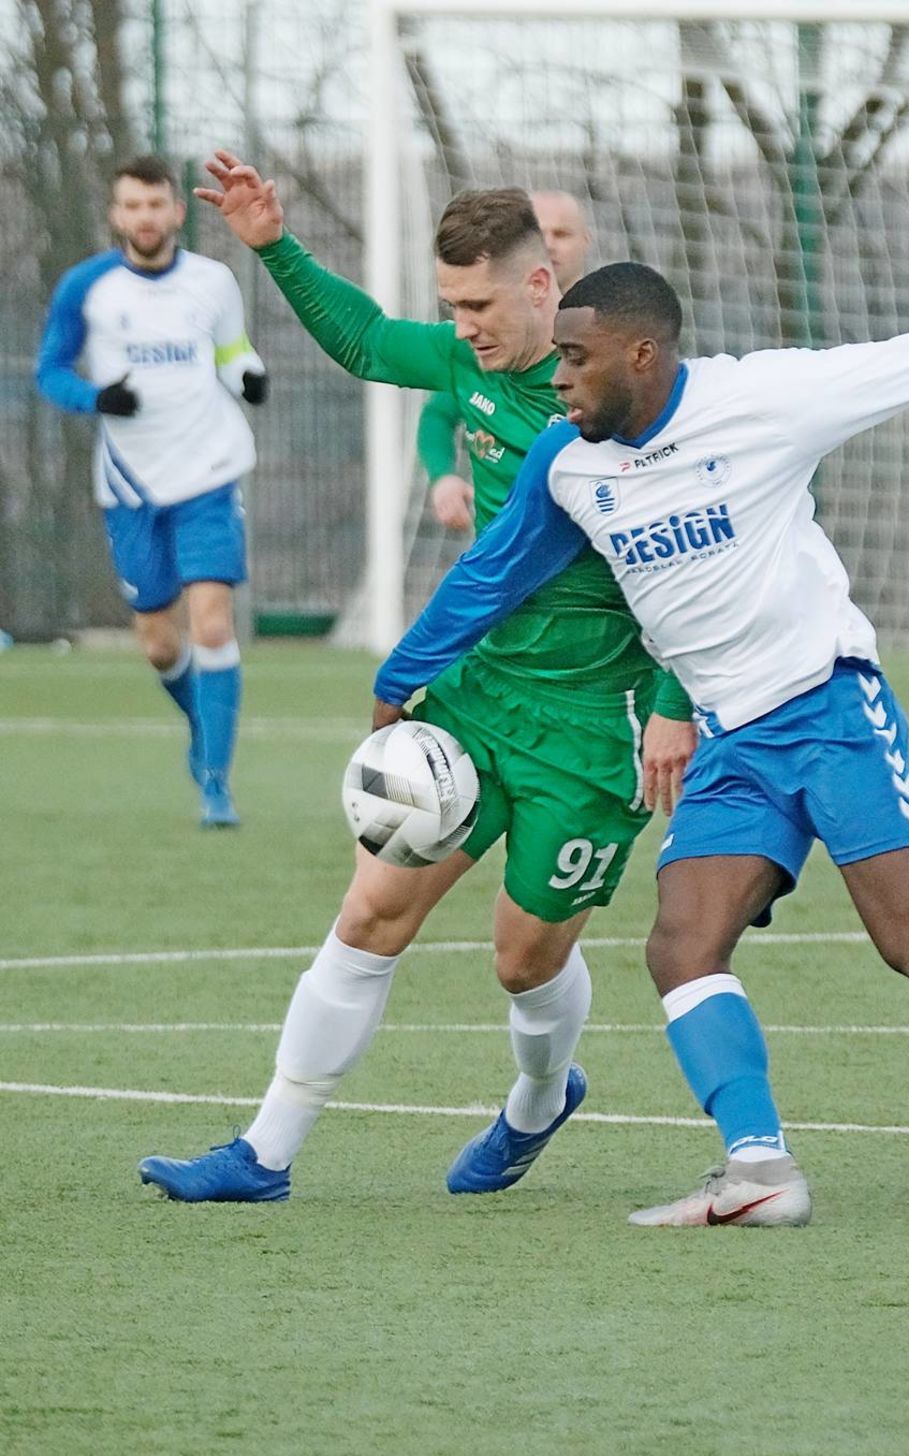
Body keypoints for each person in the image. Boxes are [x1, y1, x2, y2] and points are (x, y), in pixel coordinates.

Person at [351, 232, 909, 1230]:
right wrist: (399, 677)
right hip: (729, 743)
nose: (558, 379)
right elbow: (494, 574)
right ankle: (760, 1166)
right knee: (682, 946)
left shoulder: (766, 400)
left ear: (642, 355)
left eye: (577, 360)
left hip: (828, 709)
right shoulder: (569, 463)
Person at [138, 154, 695, 1203]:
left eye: (480, 303)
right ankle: (264, 1153)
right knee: (370, 914)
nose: (465, 324)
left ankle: (538, 1100)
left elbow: (698, 569)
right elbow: (360, 340)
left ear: (542, 287)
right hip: (480, 697)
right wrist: (272, 245)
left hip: (593, 725)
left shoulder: (618, 404)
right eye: (451, 305)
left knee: (523, 961)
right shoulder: (461, 364)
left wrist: (674, 705)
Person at [35, 154, 268, 827]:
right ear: (117, 214)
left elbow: (231, 351)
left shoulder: (213, 281)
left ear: (175, 211)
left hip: (210, 472)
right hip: (131, 485)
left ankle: (216, 787)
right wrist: (96, 396)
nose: (145, 217)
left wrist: (248, 375)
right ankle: (201, 725)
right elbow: (49, 372)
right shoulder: (87, 288)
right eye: (132, 206)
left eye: (155, 204)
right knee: (161, 645)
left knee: (214, 623)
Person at [420, 190, 592, 533]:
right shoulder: (487, 344)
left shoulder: (609, 335)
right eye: (541, 233)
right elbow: (438, 414)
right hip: (506, 561)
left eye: (562, 234)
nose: (550, 244)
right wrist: (443, 477)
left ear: (587, 242)